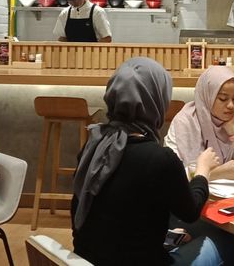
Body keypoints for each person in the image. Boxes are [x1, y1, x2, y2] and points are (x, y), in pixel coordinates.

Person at [71, 57, 222, 265]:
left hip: (86, 260)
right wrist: (203, 171)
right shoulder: (160, 159)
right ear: (156, 101)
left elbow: (109, 214)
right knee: (222, 245)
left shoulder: (93, 146)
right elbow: (190, 212)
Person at [164, 65, 234, 265]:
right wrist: (218, 173)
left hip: (227, 204)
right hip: (191, 210)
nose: (230, 106)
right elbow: (172, 178)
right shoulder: (184, 123)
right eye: (223, 99)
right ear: (207, 96)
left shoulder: (233, 122)